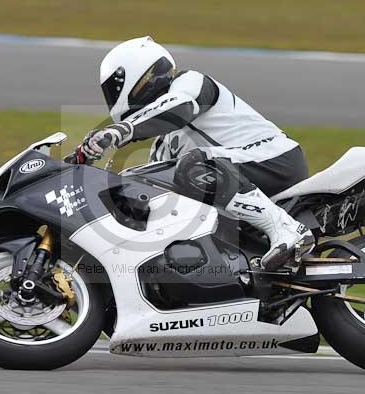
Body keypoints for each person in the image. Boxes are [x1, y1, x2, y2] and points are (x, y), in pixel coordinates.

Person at [80, 36, 314, 270]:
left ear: (141, 75)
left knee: (194, 164)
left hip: (276, 160)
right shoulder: (164, 141)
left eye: (113, 89)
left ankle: (287, 229)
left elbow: (177, 107)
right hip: (242, 177)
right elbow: (156, 193)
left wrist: (121, 130)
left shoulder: (190, 82)